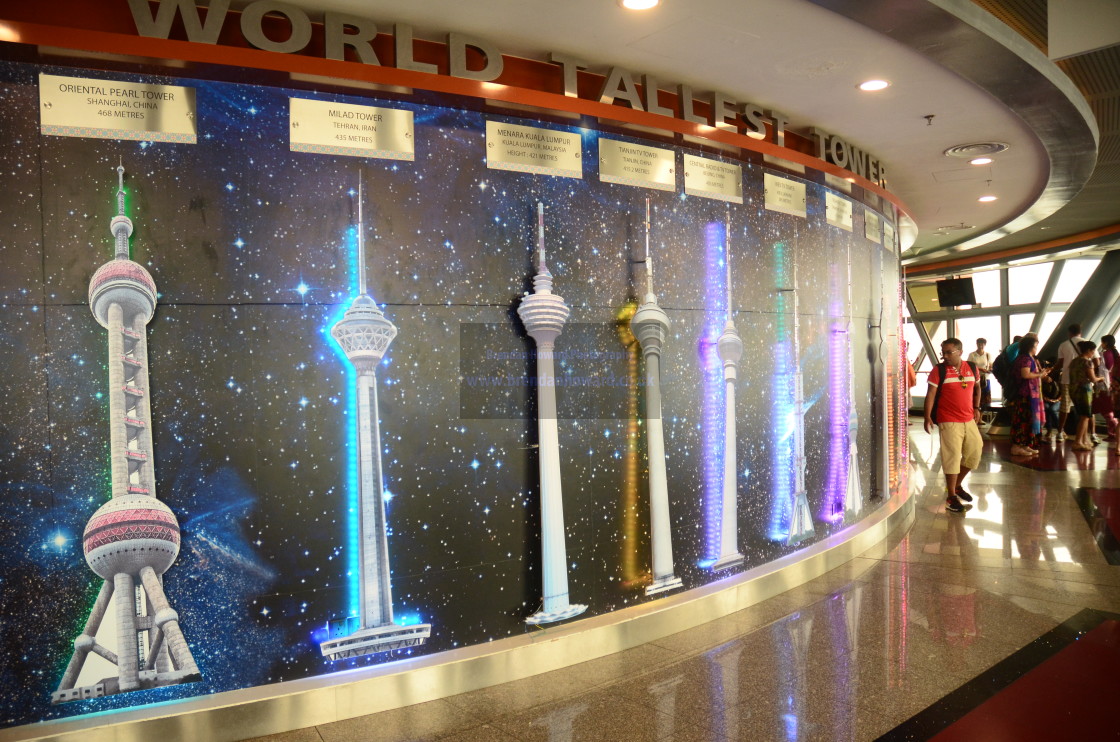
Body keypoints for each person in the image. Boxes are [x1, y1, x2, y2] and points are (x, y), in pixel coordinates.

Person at [923, 338, 981, 513]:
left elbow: (978, 388)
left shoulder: (971, 367)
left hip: (968, 418)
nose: (945, 356)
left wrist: (977, 408)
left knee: (975, 452)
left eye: (949, 352)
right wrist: (927, 417)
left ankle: (956, 485)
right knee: (953, 457)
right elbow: (931, 395)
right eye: (943, 352)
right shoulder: (938, 370)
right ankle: (951, 496)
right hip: (948, 419)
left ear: (960, 352)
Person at [1009, 336, 1047, 456]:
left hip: (1029, 394)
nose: (1036, 348)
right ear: (1031, 346)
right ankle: (1017, 445)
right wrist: (1039, 375)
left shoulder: (1028, 358)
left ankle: (1025, 444)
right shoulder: (1025, 359)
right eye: (1035, 345)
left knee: (1028, 420)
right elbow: (1025, 374)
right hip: (1025, 394)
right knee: (1022, 420)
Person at [1057, 323, 1092, 442]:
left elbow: (1060, 363)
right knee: (1086, 410)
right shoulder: (1088, 343)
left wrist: (1051, 370)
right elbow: (1096, 361)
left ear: (1069, 333)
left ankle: (1060, 432)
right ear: (1080, 332)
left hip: (1067, 380)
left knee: (1064, 407)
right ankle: (1089, 435)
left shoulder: (1064, 345)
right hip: (1084, 382)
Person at [1069, 340, 1103, 451]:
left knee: (1082, 416)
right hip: (1084, 391)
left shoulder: (1074, 361)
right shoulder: (1087, 362)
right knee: (1085, 416)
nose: (1093, 353)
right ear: (1088, 350)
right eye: (1093, 351)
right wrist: (1101, 378)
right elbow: (1093, 379)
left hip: (1073, 390)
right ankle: (1077, 442)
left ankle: (1084, 440)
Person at [1102, 335, 1120, 450]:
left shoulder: (1108, 354)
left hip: (1113, 388)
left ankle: (1117, 446)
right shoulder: (1115, 354)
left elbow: (1111, 372)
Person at [968, 338, 992, 409]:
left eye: (982, 344)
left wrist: (990, 369)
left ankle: (981, 416)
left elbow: (990, 365)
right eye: (979, 344)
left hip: (985, 378)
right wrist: (980, 369)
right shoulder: (972, 355)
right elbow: (969, 366)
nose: (980, 345)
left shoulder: (987, 355)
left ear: (985, 345)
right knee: (975, 396)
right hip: (975, 378)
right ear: (976, 344)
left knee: (985, 398)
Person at [1041, 359, 1062, 440]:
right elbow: (1040, 391)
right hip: (1046, 400)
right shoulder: (1043, 379)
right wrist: (1045, 398)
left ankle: (1060, 429)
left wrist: (1055, 400)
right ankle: (1050, 430)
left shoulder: (1059, 378)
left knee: (1052, 409)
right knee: (1046, 408)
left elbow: (1063, 393)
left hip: (1057, 400)